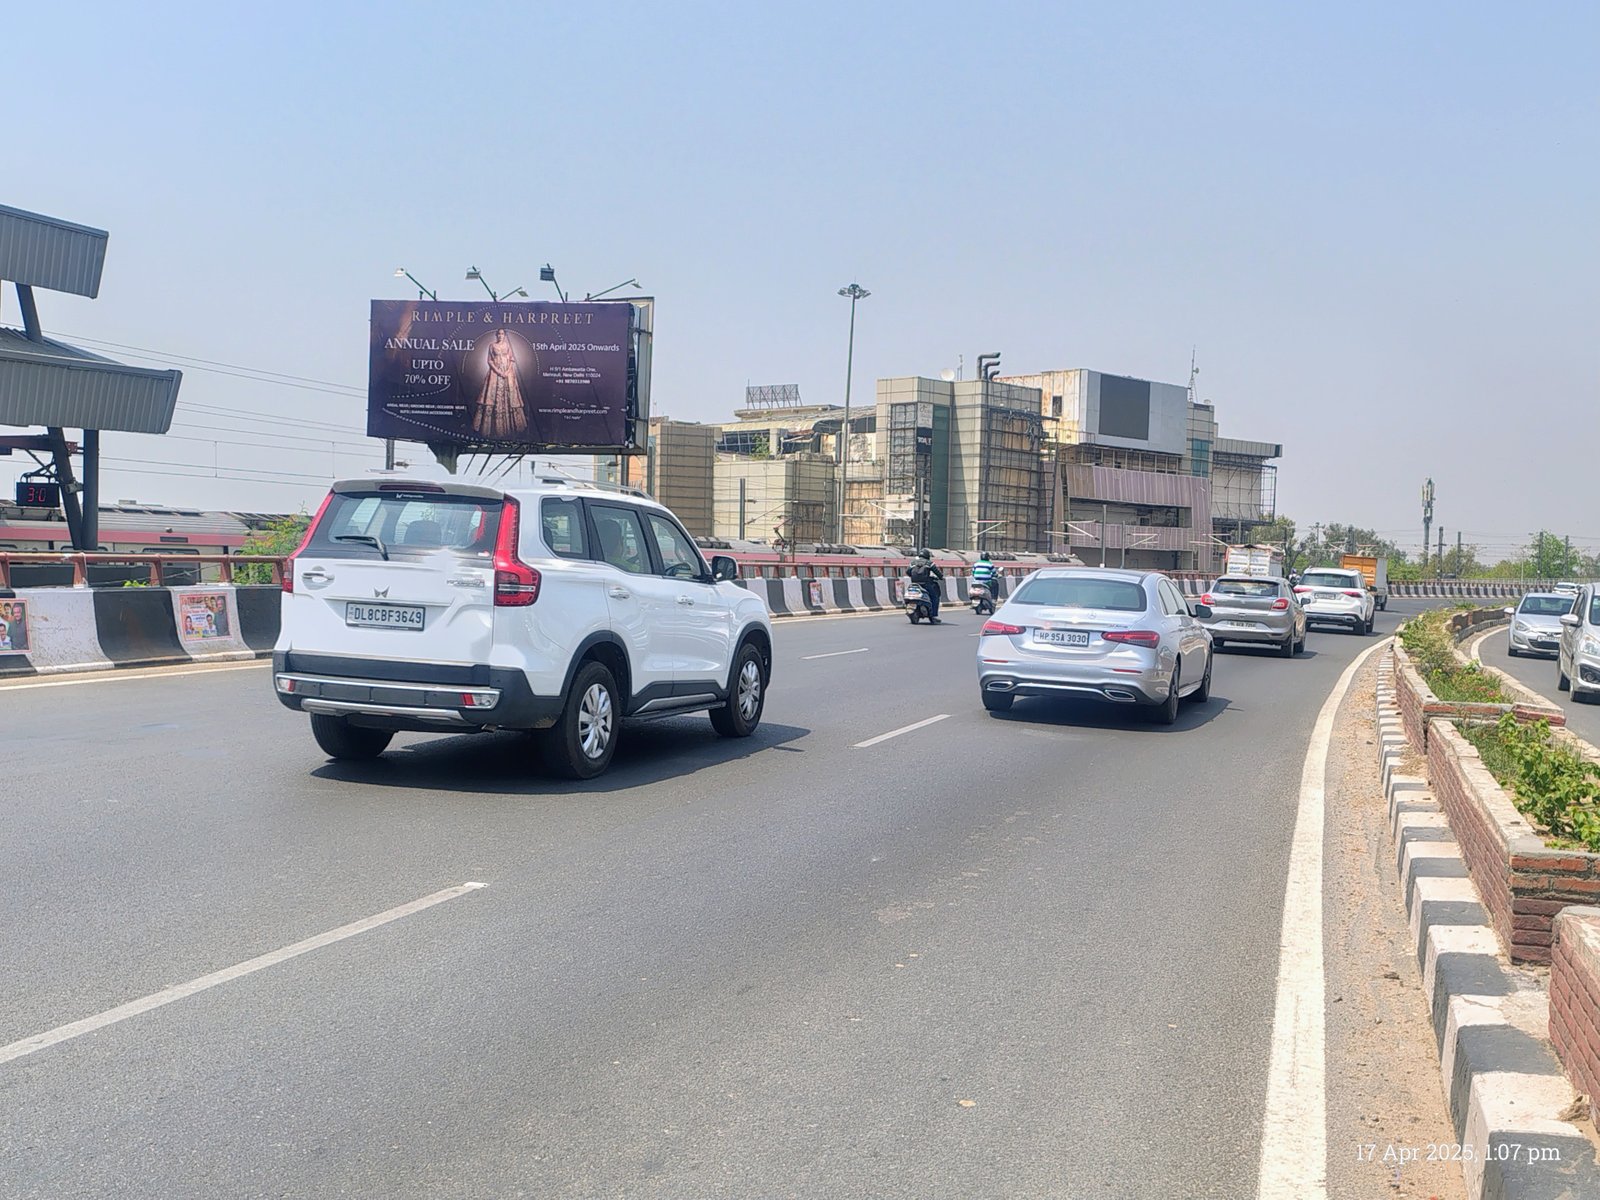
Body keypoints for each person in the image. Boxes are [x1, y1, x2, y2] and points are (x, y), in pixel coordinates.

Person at [471, 329, 530, 440]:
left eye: (502, 334)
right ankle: (493, 430)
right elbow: (489, 360)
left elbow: (512, 360)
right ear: (496, 335)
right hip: (495, 373)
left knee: (510, 398)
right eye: (499, 334)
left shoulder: (508, 346)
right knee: (491, 397)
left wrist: (507, 372)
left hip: (508, 374)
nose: (500, 336)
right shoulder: (492, 345)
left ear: (505, 335)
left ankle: (512, 429)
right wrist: (498, 372)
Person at [908, 549, 944, 623]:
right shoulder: (929, 563)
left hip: (914, 583)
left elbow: (908, 572)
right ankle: (933, 615)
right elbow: (938, 573)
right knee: (935, 597)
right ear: (927, 556)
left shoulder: (913, 562)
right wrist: (941, 577)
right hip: (925, 584)